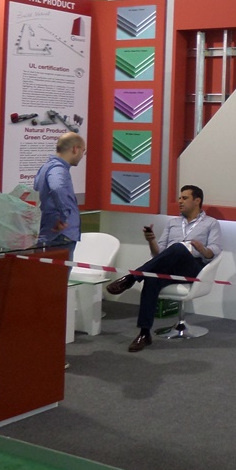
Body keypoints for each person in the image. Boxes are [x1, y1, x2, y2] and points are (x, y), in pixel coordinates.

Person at [106, 184, 222, 352]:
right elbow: (158, 254)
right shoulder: (172, 223)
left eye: (184, 198)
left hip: (193, 267)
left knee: (178, 247)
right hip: (171, 266)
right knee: (151, 279)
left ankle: (132, 277)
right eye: (179, 198)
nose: (180, 201)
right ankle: (144, 333)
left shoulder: (211, 223)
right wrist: (151, 240)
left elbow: (215, 251)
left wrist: (202, 249)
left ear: (197, 201)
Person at [33, 132, 86, 258]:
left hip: (51, 233)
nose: (82, 156)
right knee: (59, 270)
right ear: (75, 149)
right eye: (83, 151)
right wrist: (64, 216)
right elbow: (57, 187)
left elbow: (36, 189)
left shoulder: (46, 167)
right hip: (60, 235)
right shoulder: (58, 169)